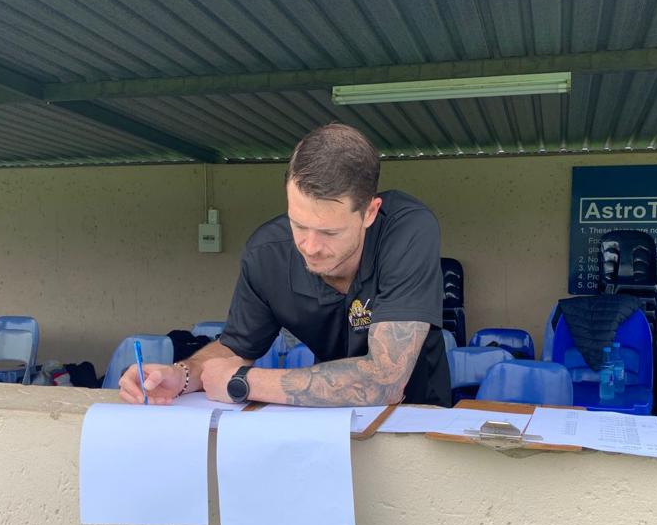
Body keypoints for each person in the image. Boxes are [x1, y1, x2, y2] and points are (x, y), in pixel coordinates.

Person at [120, 123, 451, 408]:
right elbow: (236, 348)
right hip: (325, 420)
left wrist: (243, 382)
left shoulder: (407, 229)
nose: (310, 246)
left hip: (417, 417)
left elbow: (386, 380)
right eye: (298, 224)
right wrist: (182, 375)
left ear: (370, 212)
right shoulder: (267, 254)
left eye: (329, 232)